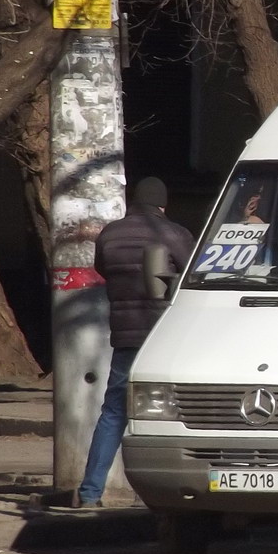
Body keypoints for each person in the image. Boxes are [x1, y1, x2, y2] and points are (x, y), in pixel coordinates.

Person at [44, 177, 194, 509]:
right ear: (163, 204)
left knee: (113, 412)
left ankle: (90, 493)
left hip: (125, 334)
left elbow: (103, 269)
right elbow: (191, 275)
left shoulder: (110, 235)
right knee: (174, 413)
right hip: (163, 336)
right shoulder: (173, 234)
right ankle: (169, 494)